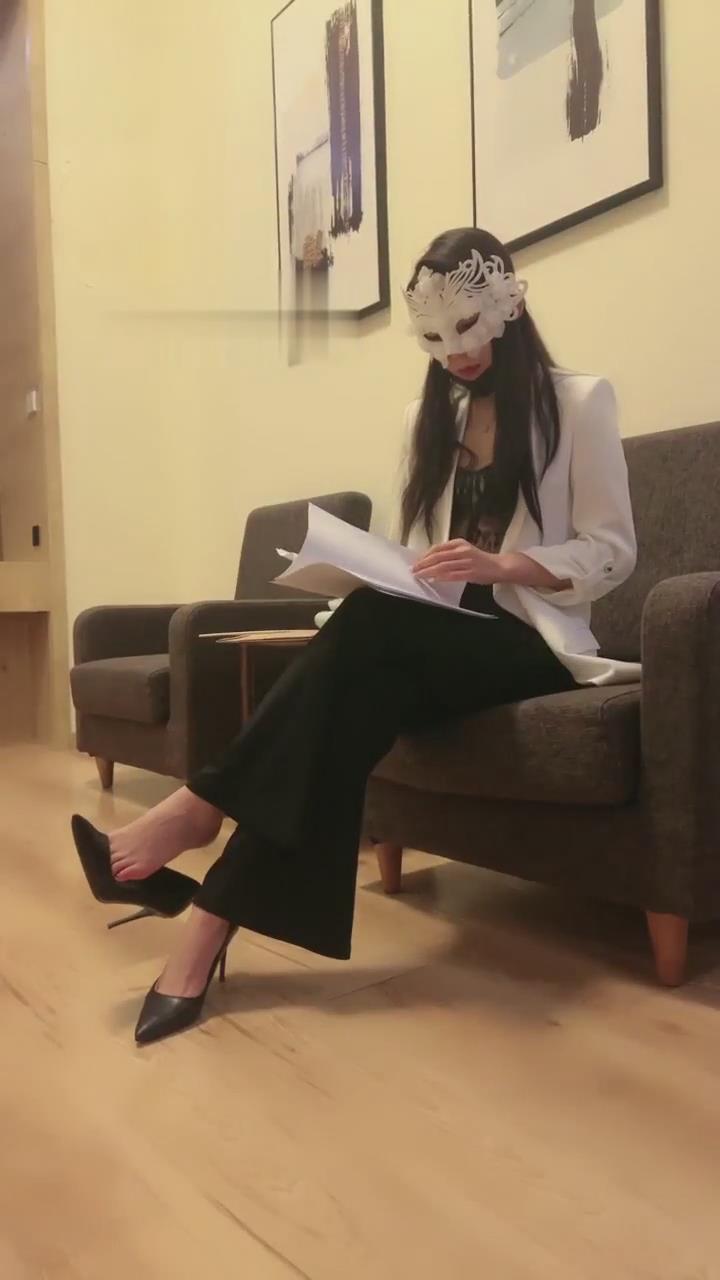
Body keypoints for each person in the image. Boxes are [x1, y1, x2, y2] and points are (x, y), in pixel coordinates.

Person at [72, 227, 638, 1045]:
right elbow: (420, 552)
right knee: (343, 700)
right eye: (434, 336)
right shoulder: (427, 418)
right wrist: (378, 570)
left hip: (529, 641)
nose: (455, 352)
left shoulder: (579, 401)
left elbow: (613, 550)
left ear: (508, 307)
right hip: (437, 635)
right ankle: (206, 924)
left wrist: (507, 563)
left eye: (468, 327)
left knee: (358, 653)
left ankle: (196, 813)